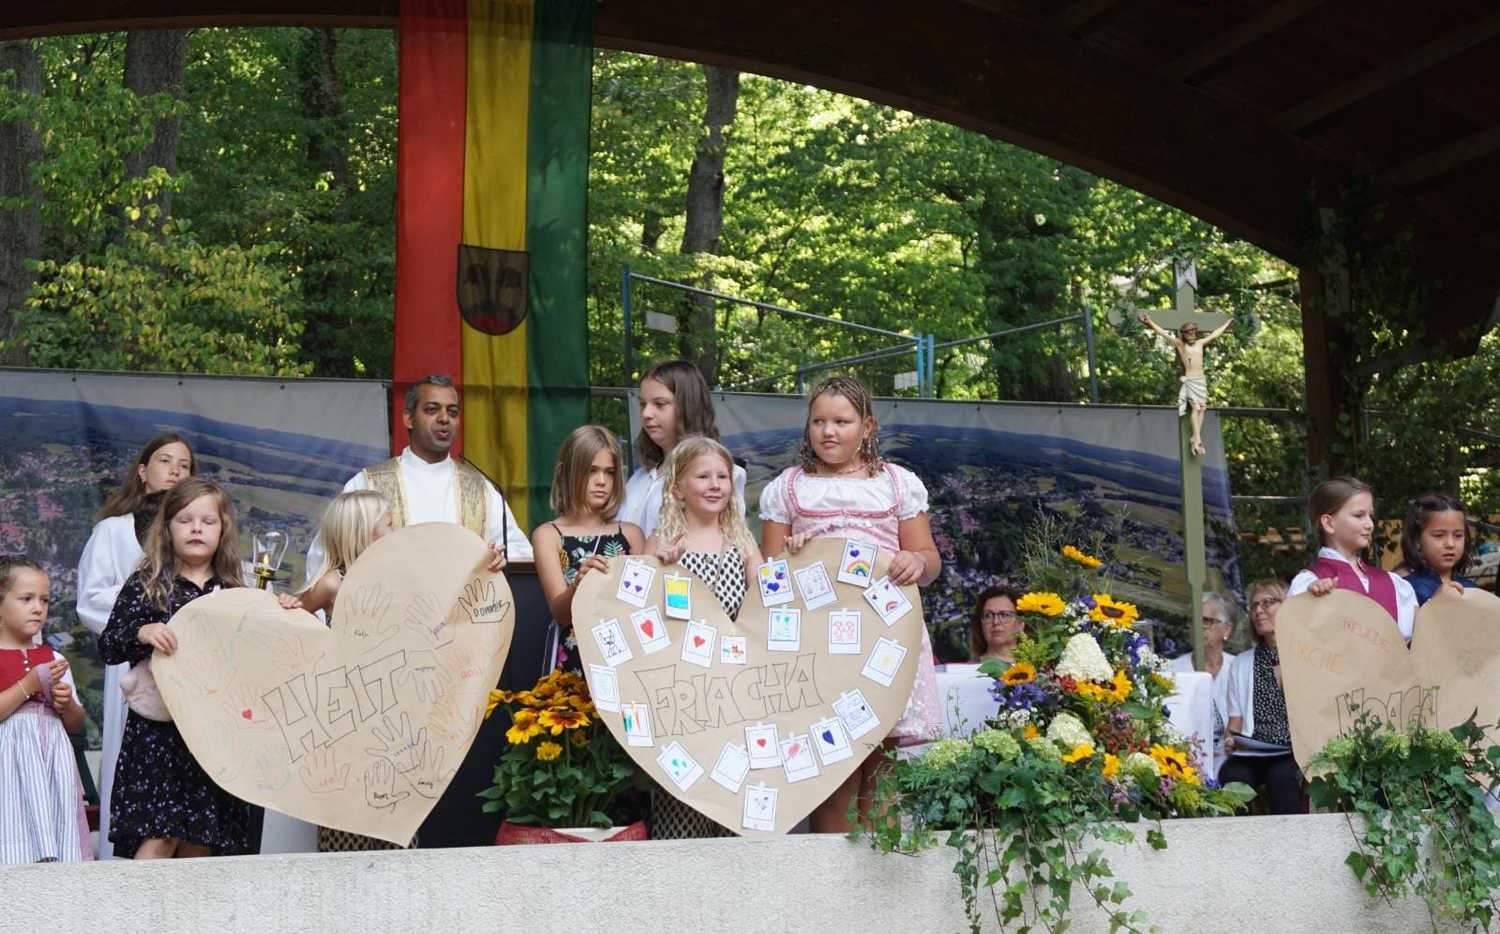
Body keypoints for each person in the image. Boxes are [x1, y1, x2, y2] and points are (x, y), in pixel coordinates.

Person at [759, 375, 942, 833]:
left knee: (882, 767)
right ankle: (830, 873)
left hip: (886, 638)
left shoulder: (897, 484)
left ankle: (882, 870)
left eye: (841, 421)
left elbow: (930, 559)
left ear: (867, 426)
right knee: (832, 761)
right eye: (818, 421)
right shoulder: (788, 488)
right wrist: (791, 558)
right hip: (822, 645)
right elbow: (768, 580)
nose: (828, 431)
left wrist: (916, 562)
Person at [99, 478, 251, 859]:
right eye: (185, 520)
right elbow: (109, 644)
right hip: (158, 735)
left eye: (207, 521)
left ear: (223, 530)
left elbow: (256, 652)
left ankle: (194, 904)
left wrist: (281, 611)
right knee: (160, 836)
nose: (196, 528)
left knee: (202, 840)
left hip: (213, 733)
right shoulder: (147, 583)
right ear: (167, 528)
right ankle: (139, 903)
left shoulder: (235, 589)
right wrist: (142, 632)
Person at [75, 432, 195, 859]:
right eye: (165, 461)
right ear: (143, 471)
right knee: (135, 762)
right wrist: (145, 614)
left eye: (185, 465)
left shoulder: (198, 535)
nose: (175, 470)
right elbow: (90, 599)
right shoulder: (113, 531)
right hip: (136, 660)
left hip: (191, 666)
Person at [642, 437, 764, 838]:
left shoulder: (743, 544)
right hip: (682, 696)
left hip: (734, 694)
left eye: (722, 477)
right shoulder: (661, 542)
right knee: (685, 799)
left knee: (733, 796)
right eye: (703, 477)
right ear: (678, 488)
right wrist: (660, 569)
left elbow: (767, 603)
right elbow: (639, 613)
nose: (715, 485)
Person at [306, 375, 531, 582]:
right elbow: (325, 559)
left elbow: (520, 555)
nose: (444, 418)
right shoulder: (369, 484)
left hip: (465, 609)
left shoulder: (480, 489)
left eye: (452, 412)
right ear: (408, 418)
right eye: (432, 410)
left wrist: (499, 560)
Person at [0, 556, 91, 863]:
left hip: (52, 757)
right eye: (26, 599)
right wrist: (29, 684)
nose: (38, 608)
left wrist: (66, 705)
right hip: (9, 760)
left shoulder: (53, 658)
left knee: (55, 818)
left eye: (44, 600)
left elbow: (75, 724)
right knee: (13, 820)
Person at [533, 426, 644, 674]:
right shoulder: (548, 535)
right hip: (575, 664)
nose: (601, 481)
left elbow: (643, 609)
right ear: (565, 473)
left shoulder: (631, 534)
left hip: (627, 663)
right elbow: (561, 615)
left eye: (609, 472)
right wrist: (579, 585)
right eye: (591, 470)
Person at [619, 360, 747, 538]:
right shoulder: (640, 477)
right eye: (642, 404)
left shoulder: (721, 478)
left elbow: (730, 542)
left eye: (660, 404)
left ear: (688, 406)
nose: (646, 414)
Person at [1290, 476, 1417, 641]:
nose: (1370, 524)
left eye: (1370, 515)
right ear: (1329, 523)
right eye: (1359, 515)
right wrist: (1308, 602)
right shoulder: (1309, 583)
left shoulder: (1392, 583)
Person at [1220, 580, 1301, 815]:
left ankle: (1289, 838)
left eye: (1268, 602)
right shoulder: (1241, 663)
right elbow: (1235, 720)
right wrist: (1230, 739)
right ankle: (1238, 838)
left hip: (1293, 749)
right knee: (1233, 775)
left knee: (1282, 777)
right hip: (1254, 749)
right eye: (1254, 606)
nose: (1258, 610)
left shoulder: (1305, 655)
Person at [1137, 311, 1233, 457]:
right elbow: (1163, 333)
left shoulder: (1200, 343)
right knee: (1195, 407)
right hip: (1190, 379)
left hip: (1201, 379)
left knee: (1203, 408)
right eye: (1188, 334)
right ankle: (1197, 439)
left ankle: (1195, 437)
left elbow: (1215, 334)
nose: (1191, 336)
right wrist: (1149, 322)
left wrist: (1227, 324)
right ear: (1184, 335)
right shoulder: (1180, 344)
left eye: (1193, 333)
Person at [290, 491, 394, 618]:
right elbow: (291, 617)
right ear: (364, 532)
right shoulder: (332, 584)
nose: (395, 532)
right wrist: (289, 604)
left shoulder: (389, 574)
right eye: (389, 525)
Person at [1167, 592, 1239, 766]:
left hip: (1232, 765)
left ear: (1226, 630)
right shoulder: (1172, 670)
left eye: (1206, 621)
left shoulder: (1239, 669)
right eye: (1193, 621)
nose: (1197, 627)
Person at [1399, 493, 1478, 605]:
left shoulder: (1472, 589)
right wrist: (1434, 603)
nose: (1450, 544)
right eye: (1439, 535)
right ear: (1417, 541)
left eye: (1458, 535)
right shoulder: (1405, 590)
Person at [970, 582, 1024, 664]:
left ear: (1021, 623)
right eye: (988, 615)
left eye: (1004, 615)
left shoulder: (1038, 667)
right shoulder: (968, 669)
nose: (996, 622)